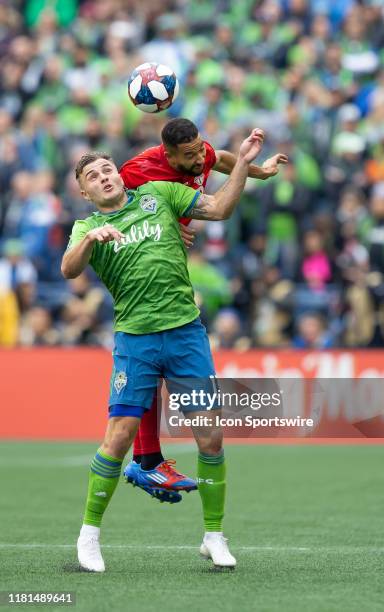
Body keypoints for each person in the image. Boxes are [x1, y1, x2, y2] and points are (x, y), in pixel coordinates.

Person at [61, 128, 264, 572]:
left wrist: (244, 162)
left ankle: (214, 536)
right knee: (118, 436)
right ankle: (89, 537)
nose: (105, 177)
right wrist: (90, 241)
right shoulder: (88, 227)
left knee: (210, 435)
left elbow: (221, 207)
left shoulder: (159, 193)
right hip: (136, 340)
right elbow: (68, 270)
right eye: (93, 176)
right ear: (84, 191)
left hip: (186, 335)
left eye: (108, 169)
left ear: (121, 174)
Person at [119, 117, 288, 503]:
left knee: (153, 367)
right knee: (148, 360)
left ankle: (147, 460)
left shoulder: (202, 152)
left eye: (200, 149)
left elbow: (221, 158)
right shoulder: (138, 170)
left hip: (172, 263)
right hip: (140, 260)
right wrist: (158, 223)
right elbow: (110, 205)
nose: (200, 159)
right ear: (168, 154)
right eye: (190, 155)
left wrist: (258, 171)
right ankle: (145, 462)